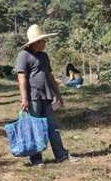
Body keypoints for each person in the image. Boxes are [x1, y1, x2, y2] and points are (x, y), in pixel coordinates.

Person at [16, 24, 76, 166]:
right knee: (35, 128)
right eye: (43, 41)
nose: (45, 43)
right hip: (33, 98)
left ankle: (61, 155)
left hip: (46, 97)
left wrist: (58, 95)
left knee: (52, 127)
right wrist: (25, 98)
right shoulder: (23, 55)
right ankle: (36, 159)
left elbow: (49, 76)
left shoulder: (44, 56)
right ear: (36, 42)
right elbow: (21, 78)